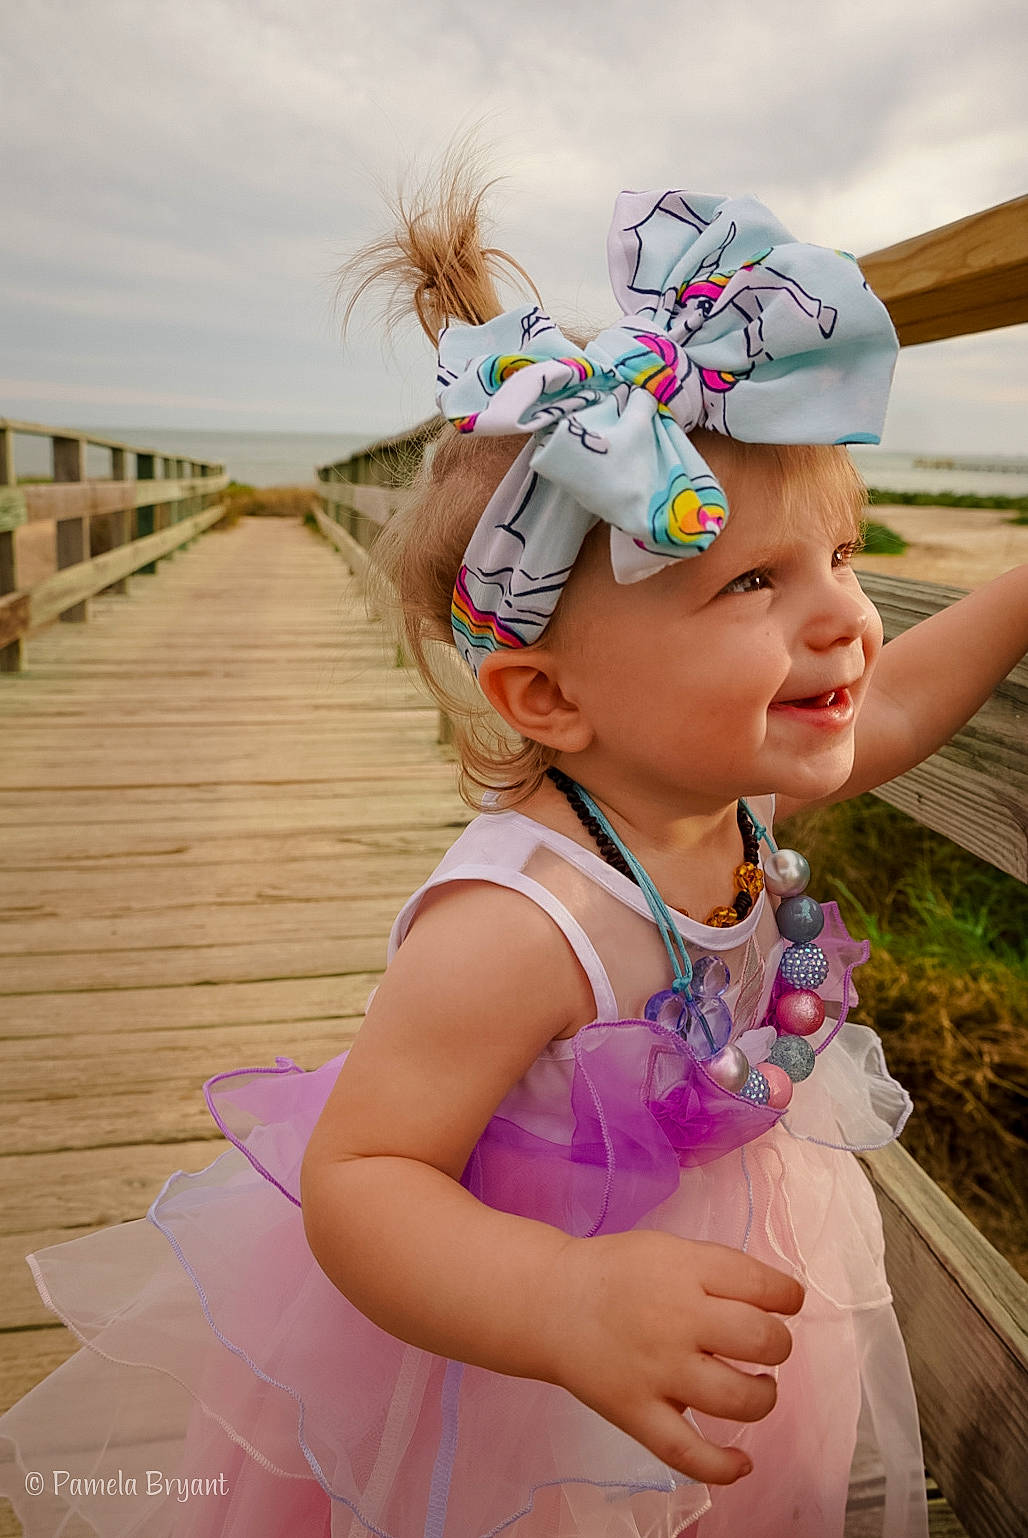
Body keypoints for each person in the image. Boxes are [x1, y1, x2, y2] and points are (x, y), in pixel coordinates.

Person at [2, 166, 1026, 1538]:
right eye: (755, 583)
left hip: (731, 1292)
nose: (847, 618)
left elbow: (890, 704)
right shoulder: (515, 923)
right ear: (547, 696)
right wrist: (561, 1300)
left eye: (841, 553)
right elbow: (362, 1184)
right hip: (536, 1349)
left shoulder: (727, 787)